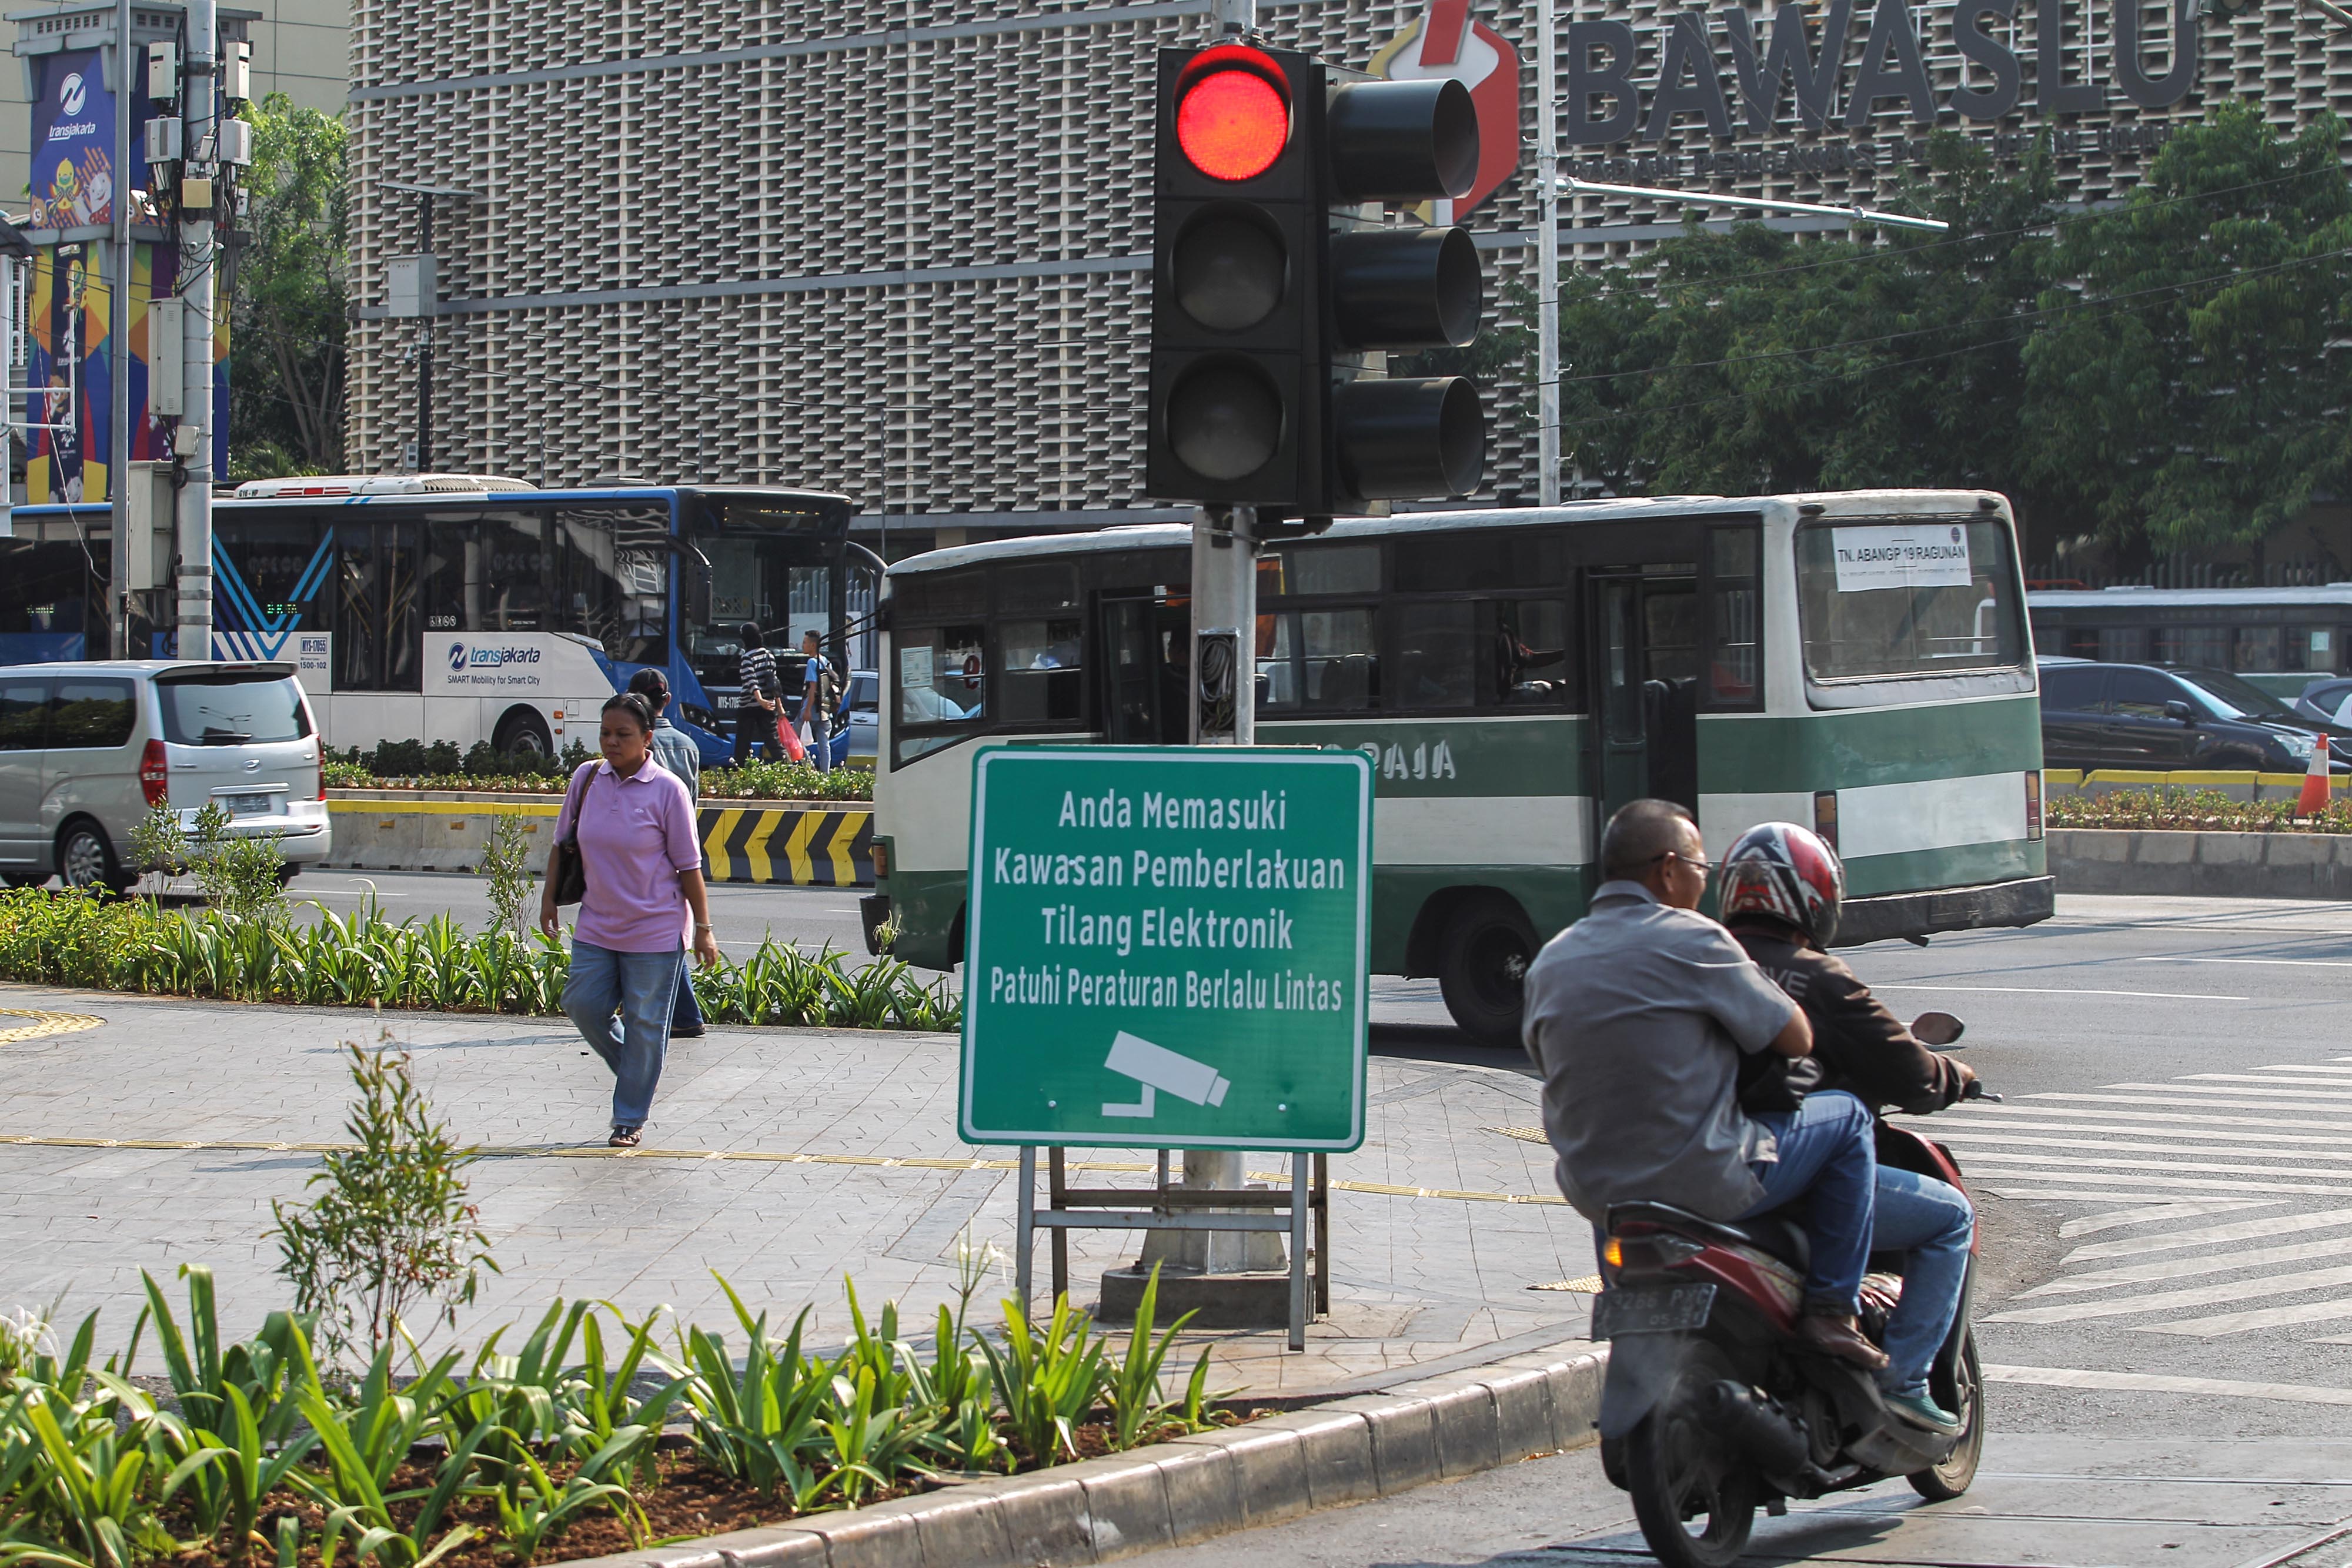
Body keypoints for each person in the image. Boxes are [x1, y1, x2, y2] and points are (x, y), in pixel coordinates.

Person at [1522, 798, 1887, 1370]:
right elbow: (1796, 1039)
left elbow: (1546, 1057)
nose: (1704, 883)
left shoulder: (1550, 959)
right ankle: (1832, 1310)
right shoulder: (1695, 938)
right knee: (1847, 1119)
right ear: (1667, 869)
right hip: (1702, 1179)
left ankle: (1627, 1310)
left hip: (1595, 1194)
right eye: (1700, 869)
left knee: (1620, 1192)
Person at [1719, 821, 1978, 1435]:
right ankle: (1903, 1379)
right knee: (1949, 1217)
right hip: (1772, 1166)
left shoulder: (1701, 960)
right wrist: (1956, 1076)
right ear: (1814, 897)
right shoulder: (1821, 980)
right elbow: (1909, 1072)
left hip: (1672, 1164)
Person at [543, 691, 721, 1148]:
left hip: (656, 929)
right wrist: (548, 903)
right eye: (605, 733)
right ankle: (637, 1069)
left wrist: (703, 928)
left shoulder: (668, 790)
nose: (611, 742)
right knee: (582, 1003)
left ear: (647, 739)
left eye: (623, 735)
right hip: (598, 924)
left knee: (647, 1023)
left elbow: (689, 866)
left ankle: (628, 1116)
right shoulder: (586, 779)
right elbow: (562, 845)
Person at [627, 667, 707, 1041]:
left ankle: (668, 1013)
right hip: (681, 850)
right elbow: (692, 803)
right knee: (667, 928)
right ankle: (685, 1014)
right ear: (668, 701)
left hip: (647, 853)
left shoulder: (640, 748)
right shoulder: (688, 746)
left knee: (649, 930)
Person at [733, 624, 781, 765]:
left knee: (743, 742)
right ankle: (788, 767)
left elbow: (750, 680)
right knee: (773, 741)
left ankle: (742, 770)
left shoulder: (747, 657)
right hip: (768, 704)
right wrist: (778, 705)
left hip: (749, 705)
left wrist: (759, 699)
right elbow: (775, 683)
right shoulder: (769, 655)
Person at [799, 630, 838, 772]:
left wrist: (807, 710)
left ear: (813, 645)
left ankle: (809, 769)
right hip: (825, 709)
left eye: (805, 643)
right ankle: (825, 774)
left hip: (812, 708)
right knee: (824, 744)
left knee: (793, 738)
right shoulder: (826, 661)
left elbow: (812, 688)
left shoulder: (812, 662)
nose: (802, 645)